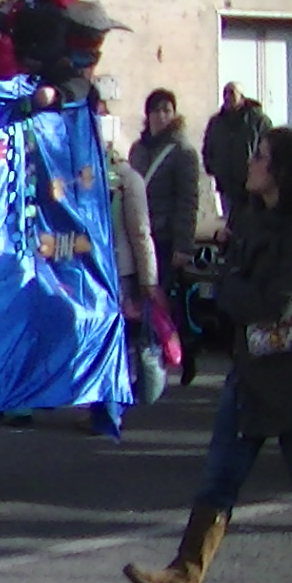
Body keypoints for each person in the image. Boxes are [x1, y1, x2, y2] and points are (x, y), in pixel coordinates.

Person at [123, 127, 292, 583]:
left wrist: (229, 288)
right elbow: (236, 288)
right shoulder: (253, 221)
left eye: (261, 158)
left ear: (284, 173)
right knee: (221, 474)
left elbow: (274, 302)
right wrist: (230, 285)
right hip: (252, 374)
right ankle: (185, 575)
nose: (251, 164)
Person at [96, 138, 159, 438]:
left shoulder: (86, 174)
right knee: (119, 341)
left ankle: (105, 409)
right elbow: (141, 232)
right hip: (122, 271)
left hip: (97, 271)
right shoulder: (129, 179)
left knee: (104, 341)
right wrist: (149, 280)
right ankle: (111, 409)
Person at [128, 89, 202, 287]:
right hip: (139, 234)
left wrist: (183, 246)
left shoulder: (183, 151)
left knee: (162, 296)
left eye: (167, 111)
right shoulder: (138, 149)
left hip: (165, 238)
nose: (161, 116)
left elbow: (188, 201)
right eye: (156, 110)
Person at [202, 81, 272, 218]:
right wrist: (212, 167)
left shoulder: (259, 121)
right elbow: (208, 147)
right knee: (230, 226)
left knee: (253, 224)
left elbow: (269, 148)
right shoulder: (216, 122)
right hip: (226, 187)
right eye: (225, 93)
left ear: (242, 97)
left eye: (232, 93)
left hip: (252, 187)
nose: (227, 97)